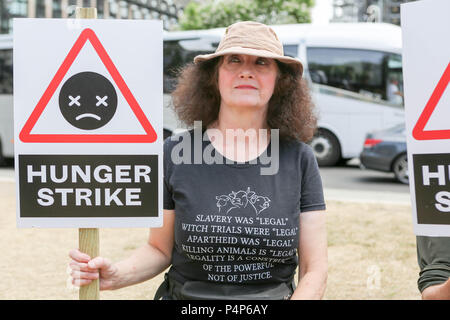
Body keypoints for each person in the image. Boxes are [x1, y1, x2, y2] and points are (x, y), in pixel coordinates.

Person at [69, 21, 327, 300]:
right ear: (214, 77)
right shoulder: (174, 152)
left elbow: (315, 268)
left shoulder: (300, 160)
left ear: (280, 80)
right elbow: (159, 249)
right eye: (234, 60)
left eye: (262, 62)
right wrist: (117, 274)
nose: (246, 71)